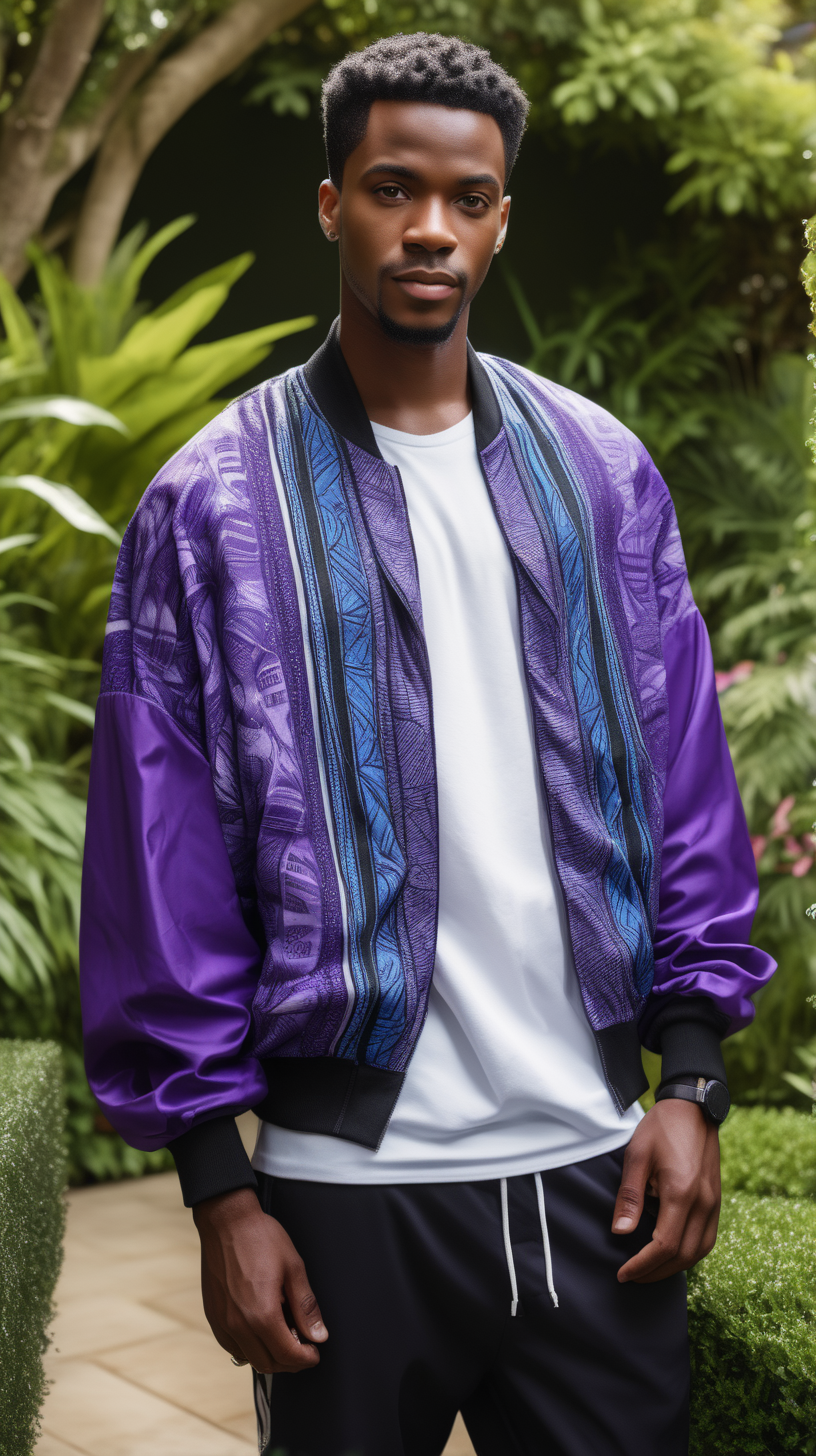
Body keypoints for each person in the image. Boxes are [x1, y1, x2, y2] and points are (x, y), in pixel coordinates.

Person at [79, 32, 775, 1456]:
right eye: (395, 189)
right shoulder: (211, 506)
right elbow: (163, 868)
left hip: (596, 1183)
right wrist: (222, 1189)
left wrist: (691, 1079)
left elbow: (687, 786)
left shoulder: (601, 476)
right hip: (348, 1197)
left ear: (502, 215)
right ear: (330, 201)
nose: (432, 230)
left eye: (469, 198)